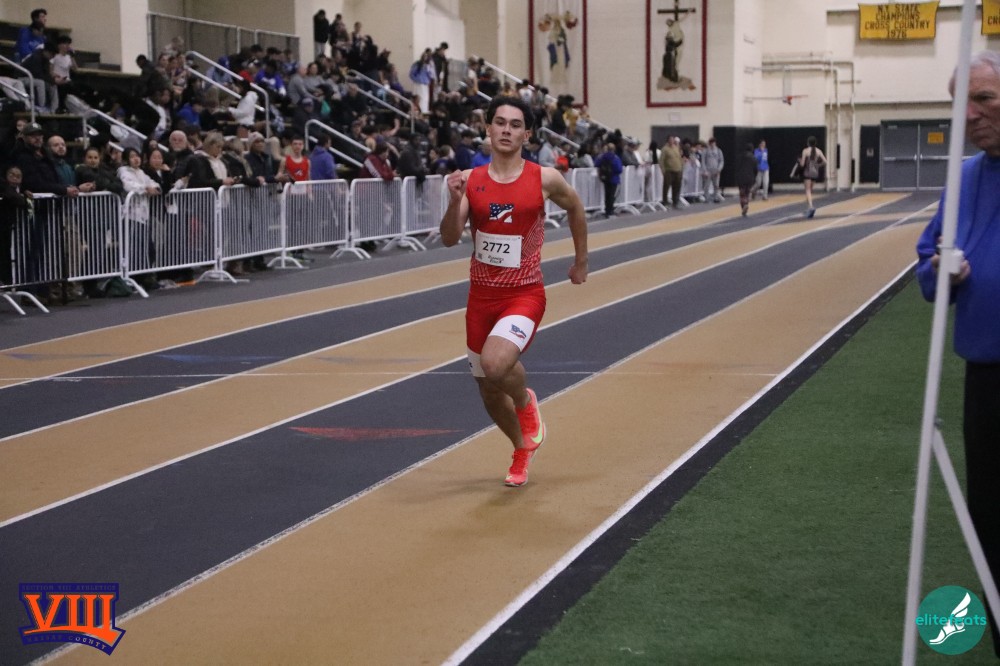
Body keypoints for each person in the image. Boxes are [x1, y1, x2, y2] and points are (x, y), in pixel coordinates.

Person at [438, 95, 588, 487]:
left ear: (527, 134)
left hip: (524, 294)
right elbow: (449, 238)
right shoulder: (471, 180)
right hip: (480, 298)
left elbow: (576, 208)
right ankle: (522, 448)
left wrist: (581, 261)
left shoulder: (544, 179)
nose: (507, 130)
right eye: (500, 122)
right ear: (487, 128)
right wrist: (454, 202)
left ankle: (525, 401)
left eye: (515, 124)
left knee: (495, 364)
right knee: (488, 391)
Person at [915, 50, 1000, 660]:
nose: (970, 115)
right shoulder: (964, 178)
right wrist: (939, 271)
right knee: (990, 523)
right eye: (959, 104)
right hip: (986, 381)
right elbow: (927, 264)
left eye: (985, 99)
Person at [798, 136, 826, 218]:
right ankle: (808, 208)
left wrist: (799, 161)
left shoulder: (805, 151)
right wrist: (818, 165)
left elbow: (802, 164)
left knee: (807, 190)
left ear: (808, 143)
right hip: (815, 172)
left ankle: (810, 206)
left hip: (807, 172)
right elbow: (825, 162)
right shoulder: (818, 151)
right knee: (810, 191)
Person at [593, 142, 622, 217]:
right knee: (612, 195)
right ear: (614, 149)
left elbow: (596, 164)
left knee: (607, 194)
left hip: (605, 178)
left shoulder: (602, 156)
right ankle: (610, 210)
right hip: (614, 178)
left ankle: (607, 211)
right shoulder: (615, 157)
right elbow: (619, 169)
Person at [658, 135, 683, 209]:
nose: (672, 141)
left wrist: (681, 167)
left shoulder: (676, 148)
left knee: (677, 187)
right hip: (669, 170)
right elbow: (661, 161)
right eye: (670, 140)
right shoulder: (665, 149)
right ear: (668, 140)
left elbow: (679, 158)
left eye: (673, 140)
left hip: (677, 170)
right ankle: (665, 202)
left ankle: (675, 202)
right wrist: (663, 170)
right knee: (666, 186)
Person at [735, 142, 757, 217]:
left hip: (741, 177)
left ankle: (743, 205)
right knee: (747, 193)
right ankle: (746, 203)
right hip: (750, 178)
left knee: (742, 193)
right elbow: (755, 169)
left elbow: (737, 167)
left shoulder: (740, 157)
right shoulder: (753, 158)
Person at [701, 137, 724, 203]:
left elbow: (721, 161)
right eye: (711, 143)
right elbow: (703, 161)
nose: (712, 144)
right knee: (707, 185)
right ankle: (706, 198)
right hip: (708, 170)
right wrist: (704, 171)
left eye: (713, 143)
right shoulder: (705, 151)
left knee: (716, 185)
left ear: (715, 143)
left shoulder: (718, 151)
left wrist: (719, 169)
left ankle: (715, 197)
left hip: (716, 170)